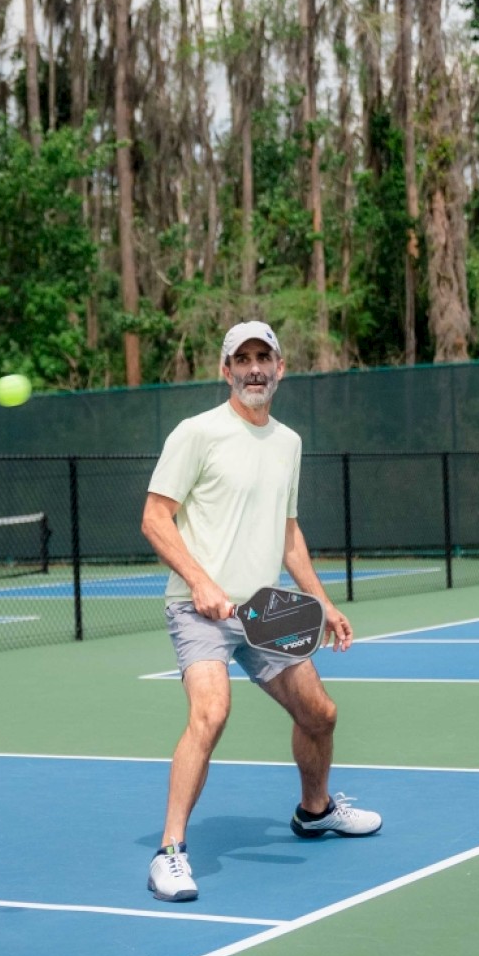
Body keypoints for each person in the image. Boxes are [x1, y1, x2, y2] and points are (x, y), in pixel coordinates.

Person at [140, 320, 382, 903]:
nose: (253, 368)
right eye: (241, 358)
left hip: (266, 611)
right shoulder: (195, 434)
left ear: (280, 369)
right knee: (211, 714)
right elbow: (154, 517)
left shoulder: (288, 443)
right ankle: (169, 852)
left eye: (263, 357)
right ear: (225, 370)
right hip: (199, 611)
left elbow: (288, 532)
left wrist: (321, 601)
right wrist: (199, 581)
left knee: (320, 714)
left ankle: (315, 810)